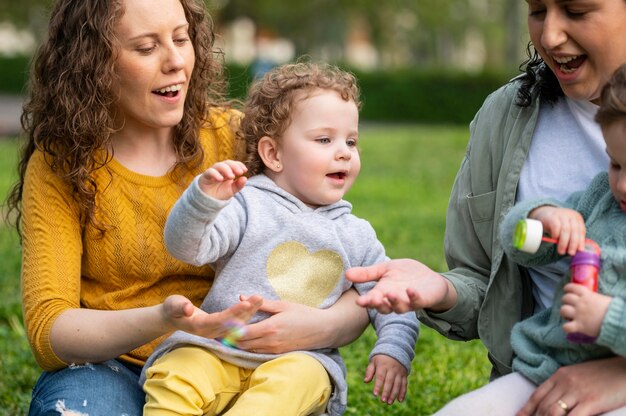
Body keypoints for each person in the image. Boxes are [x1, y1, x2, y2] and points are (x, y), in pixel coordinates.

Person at [5, 1, 371, 415]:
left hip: (238, 359)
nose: (177, 61)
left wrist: (320, 327)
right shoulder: (63, 164)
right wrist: (168, 319)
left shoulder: (238, 139)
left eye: (181, 38)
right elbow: (49, 329)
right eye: (146, 48)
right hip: (110, 365)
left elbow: (351, 265)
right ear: (92, 63)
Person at [346, 0, 626, 414]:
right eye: (536, 10)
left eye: (576, 11)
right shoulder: (506, 115)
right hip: (542, 375)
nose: (549, 36)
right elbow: (486, 278)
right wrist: (441, 289)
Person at [141, 62, 419, 416]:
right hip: (217, 349)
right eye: (324, 139)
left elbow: (390, 296)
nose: (344, 152)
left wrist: (392, 350)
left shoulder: (356, 234)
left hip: (299, 359)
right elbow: (187, 247)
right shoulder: (246, 204)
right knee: (177, 373)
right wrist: (203, 201)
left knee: (299, 381)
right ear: (273, 154)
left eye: (351, 141)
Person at [433, 63, 626, 415]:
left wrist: (608, 319)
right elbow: (518, 242)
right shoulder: (602, 196)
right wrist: (542, 217)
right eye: (616, 165)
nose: (622, 185)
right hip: (544, 369)